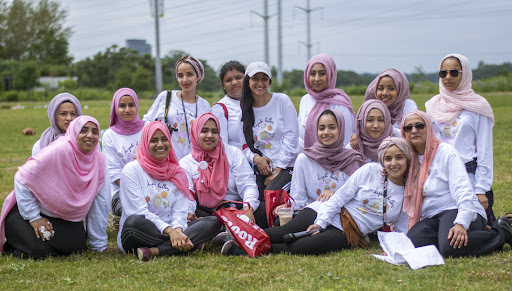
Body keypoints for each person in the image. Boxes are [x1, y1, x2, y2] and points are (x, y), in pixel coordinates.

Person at [221, 137, 413, 255]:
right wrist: (321, 222)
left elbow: (402, 225)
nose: (393, 163)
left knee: (304, 246)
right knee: (281, 233)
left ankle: (243, 247)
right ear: (382, 160)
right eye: (388, 158)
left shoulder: (409, 191)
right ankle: (236, 236)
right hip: (326, 211)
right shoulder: (371, 170)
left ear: (408, 159)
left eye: (399, 157)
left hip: (349, 232)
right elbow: (338, 199)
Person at [401, 111, 511, 257]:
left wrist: (461, 223)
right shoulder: (409, 158)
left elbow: (463, 189)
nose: (414, 130)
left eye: (419, 126)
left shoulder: (445, 152)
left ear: (429, 128)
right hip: (433, 216)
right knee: (414, 240)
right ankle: (473, 237)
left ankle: (501, 231)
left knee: (449, 247)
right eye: (408, 128)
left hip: (458, 208)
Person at [0, 116, 110, 259]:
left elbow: (101, 203)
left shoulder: (99, 161)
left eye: (95, 132)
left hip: (66, 219)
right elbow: (22, 177)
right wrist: (33, 217)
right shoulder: (59, 149)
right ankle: (15, 244)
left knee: (76, 248)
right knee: (40, 251)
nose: (90, 135)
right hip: (28, 214)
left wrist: (99, 245)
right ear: (74, 132)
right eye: (84, 130)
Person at [117, 121, 221, 261]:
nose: (160, 144)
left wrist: (177, 229)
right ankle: (186, 244)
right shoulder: (132, 170)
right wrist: (170, 231)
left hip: (173, 230)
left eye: (164, 139)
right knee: (134, 222)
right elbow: (138, 211)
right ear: (145, 143)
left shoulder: (177, 172)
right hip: (144, 232)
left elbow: (180, 211)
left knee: (213, 222)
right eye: (154, 140)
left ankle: (154, 251)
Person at [425, 54, 496, 226]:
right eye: (443, 73)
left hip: (468, 175)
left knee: (470, 222)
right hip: (441, 176)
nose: (448, 77)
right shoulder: (432, 105)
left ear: (465, 74)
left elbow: (484, 151)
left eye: (454, 72)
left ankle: (500, 229)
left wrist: (481, 190)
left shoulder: (478, 106)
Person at [273, 109, 367, 220]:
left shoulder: (352, 160)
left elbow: (359, 200)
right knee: (280, 221)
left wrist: (335, 196)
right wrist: (289, 207)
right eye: (321, 128)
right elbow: (298, 199)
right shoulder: (305, 159)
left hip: (338, 218)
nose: (326, 132)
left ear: (341, 129)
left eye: (332, 127)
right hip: (308, 216)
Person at [240, 61, 300, 227]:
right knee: (255, 200)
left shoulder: (282, 101)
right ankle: (272, 222)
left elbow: (291, 136)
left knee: (269, 195)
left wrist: (279, 169)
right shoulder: (244, 110)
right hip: (261, 168)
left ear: (269, 81)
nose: (260, 83)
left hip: (287, 166)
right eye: (255, 79)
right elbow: (243, 146)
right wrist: (256, 159)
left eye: (264, 79)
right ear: (248, 81)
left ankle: (277, 224)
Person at [180, 113, 259, 221]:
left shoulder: (232, 153)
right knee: (207, 222)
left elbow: (247, 185)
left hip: (237, 208)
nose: (210, 135)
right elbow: (188, 195)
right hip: (207, 213)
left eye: (214, 131)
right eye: (204, 131)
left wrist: (248, 209)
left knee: (263, 210)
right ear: (195, 132)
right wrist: (189, 213)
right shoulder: (186, 163)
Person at [144, 55, 210, 160]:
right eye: (180, 75)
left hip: (195, 163)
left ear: (198, 76)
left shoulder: (204, 105)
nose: (185, 80)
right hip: (167, 160)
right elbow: (147, 122)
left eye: (189, 74)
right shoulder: (165, 97)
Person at [102, 88, 146, 228]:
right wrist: (137, 191)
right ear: (115, 108)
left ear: (137, 106)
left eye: (131, 105)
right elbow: (114, 173)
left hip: (151, 187)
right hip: (121, 192)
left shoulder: (147, 128)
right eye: (122, 106)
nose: (127, 109)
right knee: (133, 211)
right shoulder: (110, 136)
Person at [298, 53, 355, 150]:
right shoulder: (305, 100)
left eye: (322, 73)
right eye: (312, 74)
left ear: (330, 74)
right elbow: (299, 135)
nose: (316, 78)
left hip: (335, 161)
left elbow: (346, 142)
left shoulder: (340, 103)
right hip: (307, 158)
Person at [362, 68, 418, 137]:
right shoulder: (371, 107)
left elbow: (410, 134)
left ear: (400, 90)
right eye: (380, 88)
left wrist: (386, 129)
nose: (385, 93)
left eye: (391, 88)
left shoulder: (408, 105)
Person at [210, 61, 245, 150]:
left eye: (238, 77)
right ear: (223, 85)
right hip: (236, 162)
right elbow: (222, 147)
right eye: (228, 80)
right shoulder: (219, 109)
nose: (234, 82)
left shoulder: (258, 102)